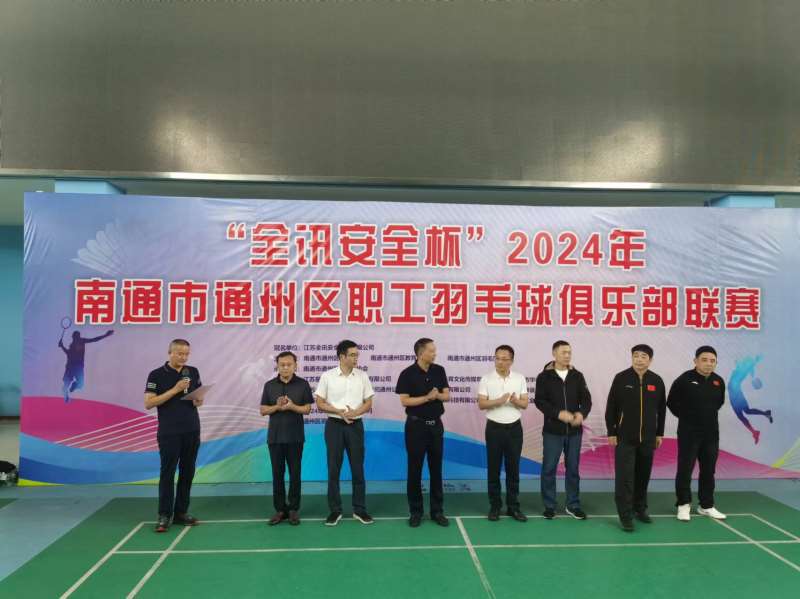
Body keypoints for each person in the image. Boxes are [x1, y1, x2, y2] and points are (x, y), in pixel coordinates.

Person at [605, 344, 666, 532]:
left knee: (642, 476)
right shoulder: (621, 378)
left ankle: (640, 509)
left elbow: (661, 409)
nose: (639, 359)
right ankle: (625, 515)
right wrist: (611, 432)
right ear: (632, 358)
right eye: (636, 356)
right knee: (625, 479)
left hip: (648, 438)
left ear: (650, 360)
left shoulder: (656, 381)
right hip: (625, 438)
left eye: (644, 356)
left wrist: (659, 433)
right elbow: (611, 406)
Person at [144, 339, 203, 533]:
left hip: (192, 429)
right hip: (169, 432)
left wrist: (198, 400)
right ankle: (164, 514)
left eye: (186, 354)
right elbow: (149, 403)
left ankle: (181, 512)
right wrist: (175, 390)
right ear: (170, 352)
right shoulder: (156, 374)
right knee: (168, 473)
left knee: (188, 472)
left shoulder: (192, 372)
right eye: (179, 353)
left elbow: (198, 399)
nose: (183, 357)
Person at [315, 340, 375, 526]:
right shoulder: (327, 376)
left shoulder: (362, 376)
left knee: (358, 468)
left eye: (357, 355)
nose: (356, 358)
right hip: (334, 426)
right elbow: (319, 402)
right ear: (342, 356)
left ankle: (360, 509)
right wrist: (338, 411)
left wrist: (355, 413)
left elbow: (368, 402)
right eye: (353, 355)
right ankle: (335, 510)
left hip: (355, 426)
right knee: (333, 469)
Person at [395, 338, 450, 527]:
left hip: (436, 426)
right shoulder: (407, 374)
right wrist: (427, 398)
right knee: (415, 470)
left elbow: (446, 396)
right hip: (415, 427)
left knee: (436, 469)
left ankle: (437, 511)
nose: (435, 354)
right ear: (421, 353)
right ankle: (416, 511)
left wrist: (437, 395)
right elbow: (405, 401)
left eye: (435, 350)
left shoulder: (439, 370)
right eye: (431, 351)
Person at [534, 340, 592, 520]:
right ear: (554, 354)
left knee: (573, 469)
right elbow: (540, 401)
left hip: (574, 432)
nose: (567, 356)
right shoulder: (544, 377)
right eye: (563, 352)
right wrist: (558, 414)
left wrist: (582, 414)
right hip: (552, 431)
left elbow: (587, 400)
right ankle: (549, 506)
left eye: (569, 352)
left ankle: (573, 505)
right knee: (549, 468)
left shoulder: (577, 376)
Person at [668, 345, 727, 521]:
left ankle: (706, 505)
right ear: (696, 361)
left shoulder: (718, 381)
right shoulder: (684, 379)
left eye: (712, 361)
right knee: (685, 469)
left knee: (708, 470)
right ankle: (683, 504)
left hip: (711, 434)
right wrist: (688, 417)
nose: (709, 363)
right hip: (689, 433)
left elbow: (719, 402)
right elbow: (671, 402)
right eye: (704, 360)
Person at [260, 351, 314, 526]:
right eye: (282, 365)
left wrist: (292, 406)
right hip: (275, 438)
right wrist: (276, 406)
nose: (285, 368)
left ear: (295, 365)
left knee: (295, 474)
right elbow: (263, 410)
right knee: (277, 474)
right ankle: (280, 510)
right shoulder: (269, 385)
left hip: (295, 437)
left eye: (289, 364)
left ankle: (293, 509)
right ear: (277, 366)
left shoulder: (303, 384)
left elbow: (307, 409)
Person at [477, 344, 529, 522]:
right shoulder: (486, 379)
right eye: (497, 358)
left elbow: (525, 404)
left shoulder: (519, 378)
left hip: (514, 429)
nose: (500, 362)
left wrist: (515, 400)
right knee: (493, 470)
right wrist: (498, 401)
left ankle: (513, 507)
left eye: (504, 359)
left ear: (511, 361)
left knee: (513, 470)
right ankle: (495, 506)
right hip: (494, 429)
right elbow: (481, 404)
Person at [59, 329, 114, 402]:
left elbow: (94, 339)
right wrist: (62, 346)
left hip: (77, 367)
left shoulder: (82, 341)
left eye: (77, 336)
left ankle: (74, 385)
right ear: (73, 337)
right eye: (75, 337)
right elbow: (69, 354)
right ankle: (67, 395)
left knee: (80, 384)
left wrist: (105, 335)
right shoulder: (72, 345)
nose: (76, 338)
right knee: (67, 384)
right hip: (71, 367)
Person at [728, 354, 772, 445]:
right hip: (734, 394)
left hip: (735, 394)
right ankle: (756, 429)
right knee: (745, 412)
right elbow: (746, 368)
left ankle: (756, 429)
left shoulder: (741, 370)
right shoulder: (740, 368)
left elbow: (747, 369)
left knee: (744, 413)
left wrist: (755, 361)